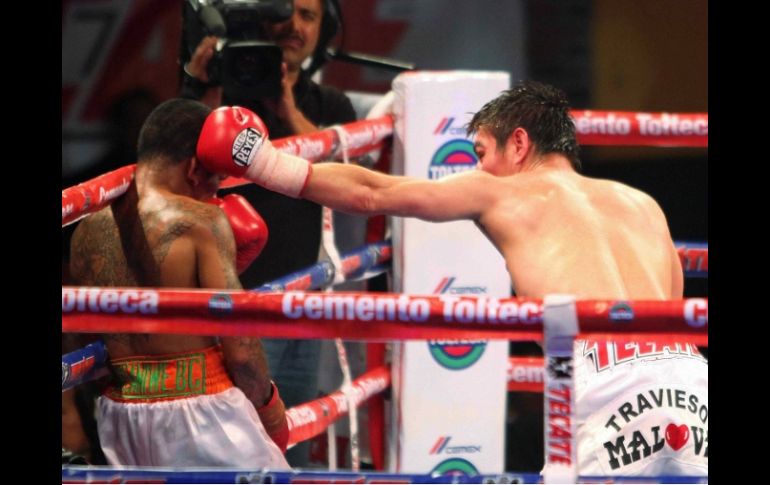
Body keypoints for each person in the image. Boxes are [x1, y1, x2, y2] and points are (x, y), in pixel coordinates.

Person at [195, 80, 708, 476]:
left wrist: (261, 162)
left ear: (520, 144)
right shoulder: (643, 204)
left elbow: (373, 193)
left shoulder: (504, 192)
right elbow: (673, 309)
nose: (479, 169)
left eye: (482, 153)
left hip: (602, 383)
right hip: (689, 376)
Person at [68, 98, 289, 469]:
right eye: (217, 180)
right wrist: (270, 409)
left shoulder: (85, 231)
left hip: (121, 419)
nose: (215, 194)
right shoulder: (201, 222)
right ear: (194, 169)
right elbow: (241, 350)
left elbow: (84, 337)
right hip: (204, 416)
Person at [181, 0, 357, 467]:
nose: (295, 26)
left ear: (326, 28)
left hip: (301, 301)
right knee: (232, 449)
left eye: (309, 16)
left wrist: (287, 108)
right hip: (231, 303)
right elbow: (180, 169)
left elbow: (347, 181)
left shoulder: (329, 105)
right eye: (288, 12)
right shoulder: (223, 93)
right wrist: (204, 85)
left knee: (289, 441)